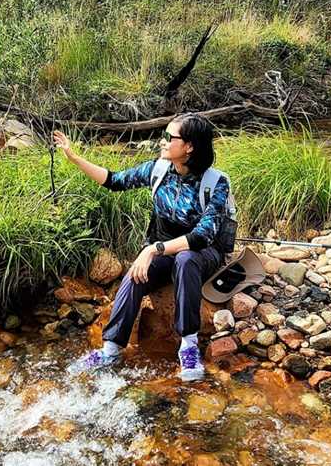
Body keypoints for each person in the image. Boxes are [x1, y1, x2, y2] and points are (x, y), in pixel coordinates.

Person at [52, 113, 230, 382]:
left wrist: (152, 249)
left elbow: (203, 237)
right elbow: (115, 181)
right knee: (136, 273)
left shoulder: (216, 182)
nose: (163, 141)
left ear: (189, 146)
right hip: (165, 248)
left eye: (170, 137)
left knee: (185, 259)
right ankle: (111, 349)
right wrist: (74, 157)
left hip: (202, 254)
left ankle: (189, 346)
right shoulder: (159, 169)